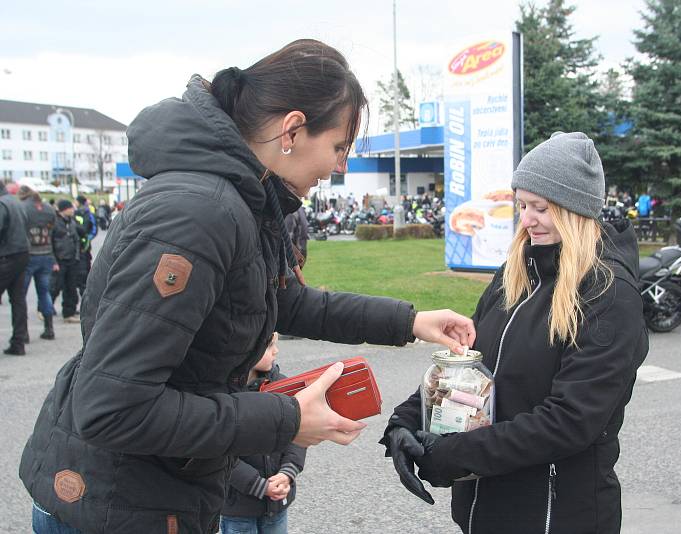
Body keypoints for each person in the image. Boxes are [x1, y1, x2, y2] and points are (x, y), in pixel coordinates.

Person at [20, 39, 475, 534]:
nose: (340, 166)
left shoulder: (240, 199)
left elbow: (281, 300)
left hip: (157, 491)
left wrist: (409, 321)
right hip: (115, 505)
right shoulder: (199, 213)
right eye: (339, 147)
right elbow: (113, 408)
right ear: (293, 130)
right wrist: (286, 419)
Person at [382, 132, 649, 534]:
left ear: (574, 208)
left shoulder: (609, 294)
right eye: (521, 205)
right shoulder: (516, 274)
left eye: (540, 207)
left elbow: (570, 421)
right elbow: (469, 366)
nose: (526, 219)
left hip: (555, 516)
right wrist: (405, 421)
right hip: (485, 509)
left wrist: (454, 455)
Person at [220, 333, 305, 534]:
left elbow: (299, 434)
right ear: (245, 350)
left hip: (277, 503)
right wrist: (258, 485)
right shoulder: (223, 394)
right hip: (237, 508)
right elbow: (218, 451)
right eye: (269, 346)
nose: (276, 350)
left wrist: (287, 472)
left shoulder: (284, 386)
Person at [18, 186, 57, 340]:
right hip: (47, 253)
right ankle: (49, 328)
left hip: (29, 255)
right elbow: (52, 230)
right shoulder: (48, 208)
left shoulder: (23, 208)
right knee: (44, 292)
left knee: (21, 295)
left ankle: (24, 332)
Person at [0, 182, 30, 355]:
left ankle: (18, 341)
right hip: (22, 253)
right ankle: (19, 341)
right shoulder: (16, 202)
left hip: (7, 255)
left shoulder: (3, 204)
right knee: (18, 299)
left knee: (18, 299)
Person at [50, 200, 84, 323]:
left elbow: (76, 239)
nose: (73, 210)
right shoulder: (54, 222)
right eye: (70, 208)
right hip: (59, 260)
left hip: (71, 259)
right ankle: (45, 309)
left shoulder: (71, 222)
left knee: (71, 287)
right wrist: (53, 260)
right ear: (64, 209)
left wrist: (76, 256)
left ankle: (68, 313)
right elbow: (50, 242)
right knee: (55, 286)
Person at [73, 195, 97, 296]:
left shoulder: (85, 213)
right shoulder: (75, 213)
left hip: (81, 246)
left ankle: (85, 293)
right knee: (84, 270)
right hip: (82, 246)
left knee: (83, 270)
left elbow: (94, 229)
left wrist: (86, 239)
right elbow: (94, 230)